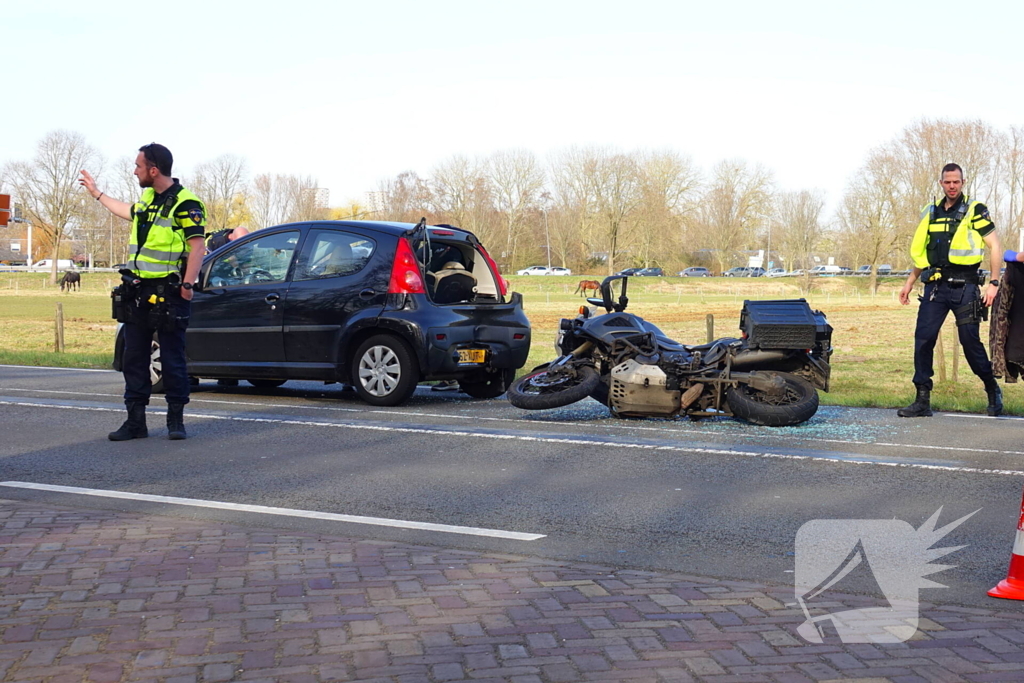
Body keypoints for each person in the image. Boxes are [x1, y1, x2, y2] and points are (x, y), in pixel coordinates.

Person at [79, 143, 206, 439]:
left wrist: (187, 285)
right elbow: (127, 211)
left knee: (173, 358)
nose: (134, 170)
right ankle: (136, 422)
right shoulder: (148, 198)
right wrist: (97, 193)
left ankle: (176, 421)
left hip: (170, 292)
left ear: (153, 169)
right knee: (134, 358)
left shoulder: (186, 203)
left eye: (138, 166)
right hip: (138, 290)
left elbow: (198, 246)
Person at [897, 162, 1003, 417]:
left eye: (956, 181)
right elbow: (925, 252)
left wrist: (994, 282)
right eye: (947, 182)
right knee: (923, 339)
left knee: (970, 343)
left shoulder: (975, 210)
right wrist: (910, 281)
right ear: (941, 183)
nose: (952, 186)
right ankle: (922, 400)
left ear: (963, 183)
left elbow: (995, 246)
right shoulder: (930, 212)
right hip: (935, 287)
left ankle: (992, 389)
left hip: (965, 287)